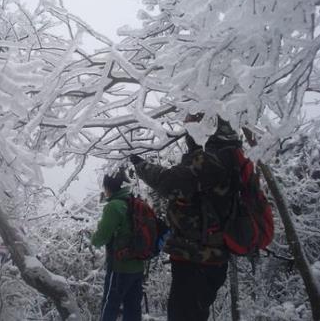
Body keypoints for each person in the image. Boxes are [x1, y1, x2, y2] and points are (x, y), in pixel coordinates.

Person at [130, 116, 241, 321]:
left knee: (184, 315)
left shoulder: (210, 159)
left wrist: (141, 165)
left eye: (191, 130)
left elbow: (169, 182)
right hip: (209, 255)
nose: (189, 136)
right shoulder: (228, 156)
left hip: (197, 257)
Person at [91, 168, 144, 321]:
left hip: (120, 268)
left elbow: (100, 238)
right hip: (138, 266)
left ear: (108, 187)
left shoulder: (114, 206)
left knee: (110, 306)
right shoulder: (134, 202)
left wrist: (93, 239)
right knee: (133, 309)